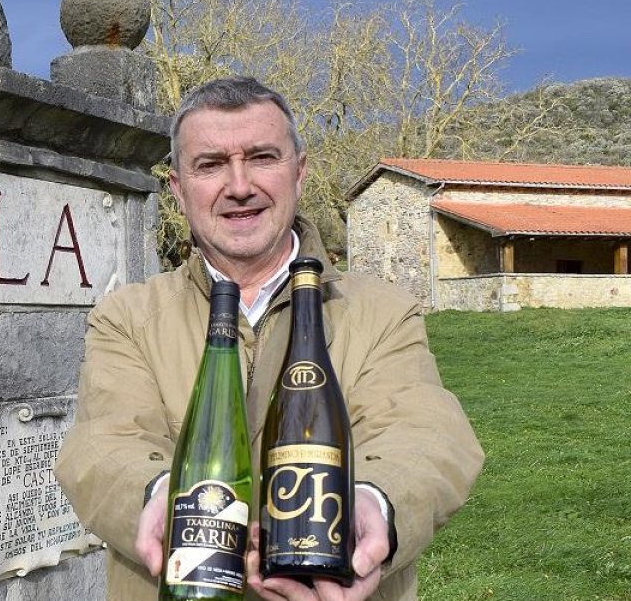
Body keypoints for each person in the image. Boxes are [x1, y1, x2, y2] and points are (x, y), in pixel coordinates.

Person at [55, 77, 483, 601]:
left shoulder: (383, 312)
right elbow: (106, 443)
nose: (239, 186)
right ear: (177, 188)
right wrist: (159, 496)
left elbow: (425, 433)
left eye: (262, 157)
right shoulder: (127, 317)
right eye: (210, 164)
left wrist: (375, 502)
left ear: (299, 172)